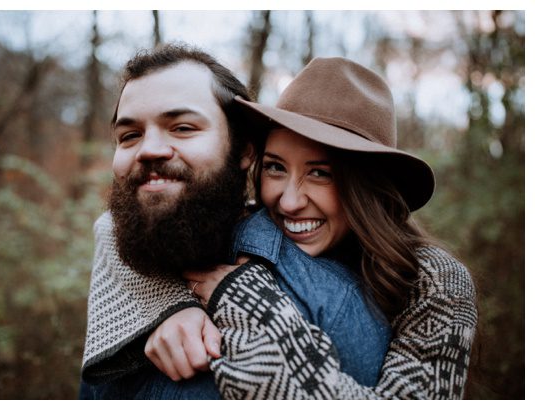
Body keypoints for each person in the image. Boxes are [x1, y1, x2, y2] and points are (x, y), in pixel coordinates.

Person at [79, 44, 391, 399]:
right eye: (129, 135)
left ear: (243, 149)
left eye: (182, 127)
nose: (148, 149)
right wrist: (165, 302)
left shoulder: (335, 303)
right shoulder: (122, 272)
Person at [171, 57, 476, 399]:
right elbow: (115, 230)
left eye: (319, 173)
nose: (288, 202)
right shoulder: (244, 226)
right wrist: (170, 309)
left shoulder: (435, 282)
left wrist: (259, 307)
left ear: (367, 187)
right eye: (275, 167)